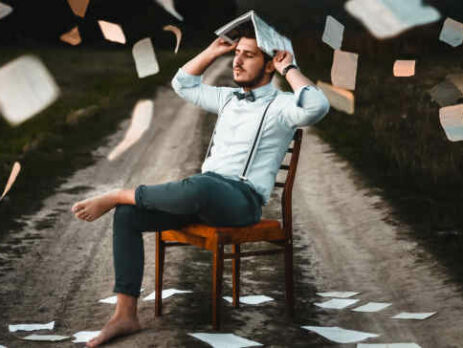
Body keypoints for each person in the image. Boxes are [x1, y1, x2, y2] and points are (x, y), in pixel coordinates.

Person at [71, 26, 329, 347]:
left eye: (248, 56)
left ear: (269, 64)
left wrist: (289, 68)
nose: (237, 62)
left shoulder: (283, 105)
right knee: (128, 216)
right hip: (204, 196)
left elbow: (317, 106)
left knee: (199, 187)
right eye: (237, 54)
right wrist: (212, 52)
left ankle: (120, 194)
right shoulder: (227, 98)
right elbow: (182, 84)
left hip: (241, 201)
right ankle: (125, 315)